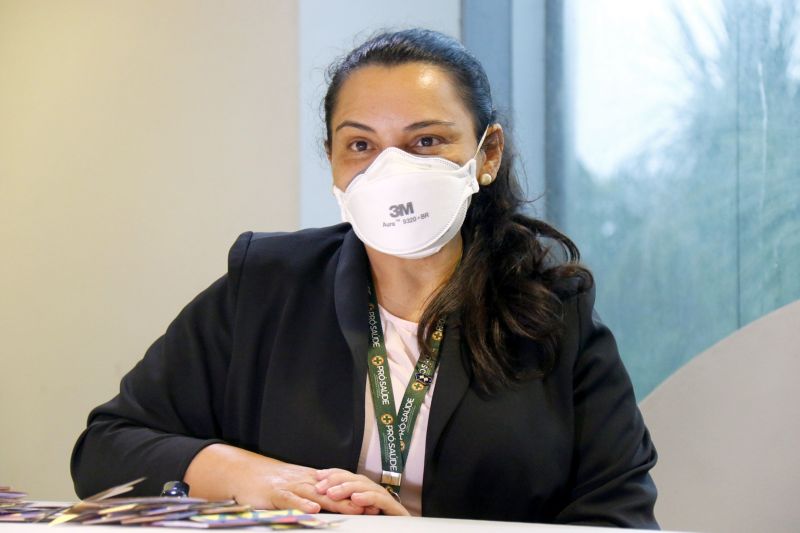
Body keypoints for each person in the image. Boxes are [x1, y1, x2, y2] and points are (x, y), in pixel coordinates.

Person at [71, 28, 658, 528]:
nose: (392, 170)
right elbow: (106, 447)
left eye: (426, 141)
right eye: (361, 145)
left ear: (487, 153)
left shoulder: (556, 316)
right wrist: (252, 476)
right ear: (332, 158)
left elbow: (619, 519)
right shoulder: (266, 286)